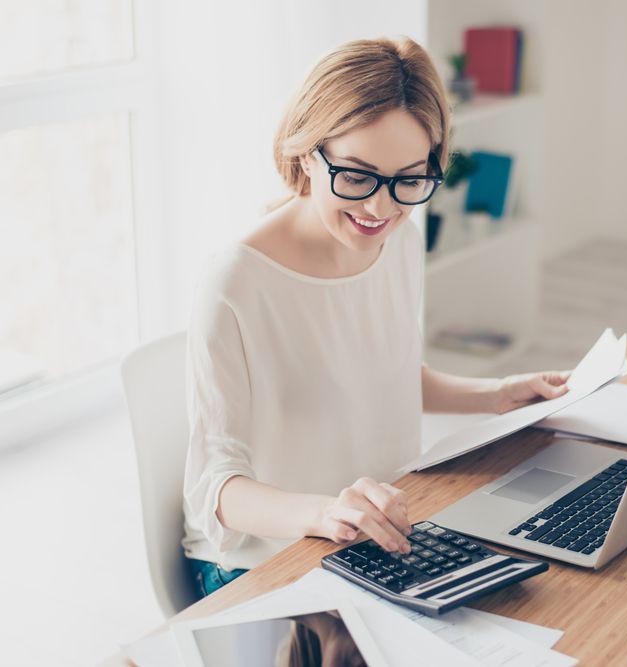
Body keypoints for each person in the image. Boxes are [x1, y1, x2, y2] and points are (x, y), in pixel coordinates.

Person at [182, 36, 570, 598]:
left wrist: (497, 394)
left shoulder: (399, 242)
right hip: (267, 563)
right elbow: (213, 488)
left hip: (381, 541)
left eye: (409, 179)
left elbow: (387, 376)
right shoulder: (236, 281)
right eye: (358, 176)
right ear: (307, 152)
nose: (380, 208)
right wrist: (325, 513)